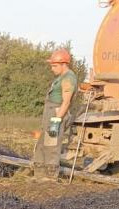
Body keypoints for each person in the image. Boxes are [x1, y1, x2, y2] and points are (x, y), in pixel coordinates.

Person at [32, 48, 78, 180]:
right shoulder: (61, 77)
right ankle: (39, 176)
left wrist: (56, 122)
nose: (52, 68)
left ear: (64, 64)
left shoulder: (68, 78)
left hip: (56, 114)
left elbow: (66, 102)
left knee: (52, 146)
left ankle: (50, 178)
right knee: (42, 144)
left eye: (54, 65)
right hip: (50, 113)